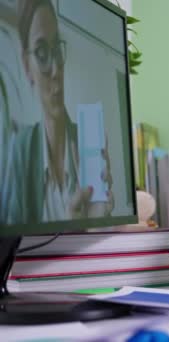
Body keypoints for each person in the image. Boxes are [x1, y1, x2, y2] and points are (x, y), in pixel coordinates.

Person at [4, 0, 113, 224]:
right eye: (42, 52)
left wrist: (98, 224)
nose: (55, 69)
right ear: (27, 66)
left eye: (56, 50)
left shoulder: (87, 143)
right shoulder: (20, 150)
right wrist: (69, 230)